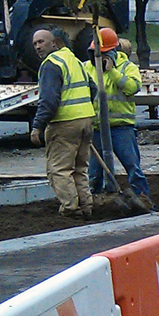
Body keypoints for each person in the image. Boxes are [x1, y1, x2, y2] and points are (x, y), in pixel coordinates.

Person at [85, 27, 153, 212]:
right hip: (97, 128)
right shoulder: (87, 68)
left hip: (121, 127)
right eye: (96, 53)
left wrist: (113, 72)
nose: (99, 57)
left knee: (132, 166)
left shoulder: (127, 67)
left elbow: (132, 88)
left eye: (104, 53)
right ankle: (96, 202)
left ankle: (142, 199)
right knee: (95, 171)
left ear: (113, 51)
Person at [30, 28, 95, 220]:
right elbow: (93, 89)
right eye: (35, 43)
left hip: (64, 124)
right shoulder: (75, 61)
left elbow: (49, 100)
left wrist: (37, 126)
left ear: (54, 43)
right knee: (80, 168)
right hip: (85, 121)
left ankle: (70, 208)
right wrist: (84, 112)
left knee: (59, 169)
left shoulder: (51, 64)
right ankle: (86, 205)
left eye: (41, 42)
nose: (38, 47)